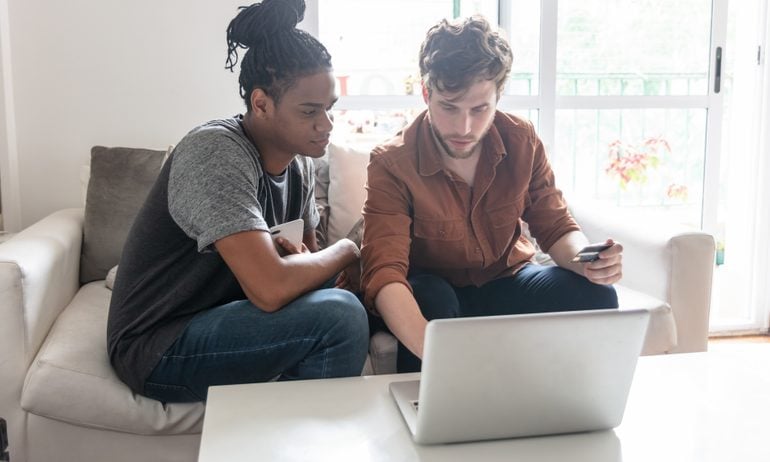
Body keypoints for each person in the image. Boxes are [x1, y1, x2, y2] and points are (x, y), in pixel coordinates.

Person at [107, 0, 368, 403]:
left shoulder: (300, 164)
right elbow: (271, 288)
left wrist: (307, 266)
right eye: (309, 111)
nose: (326, 125)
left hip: (231, 316)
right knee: (341, 316)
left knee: (368, 295)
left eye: (330, 108)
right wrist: (348, 249)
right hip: (159, 343)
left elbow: (309, 269)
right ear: (261, 104)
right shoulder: (214, 151)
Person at [360, 15, 622, 373]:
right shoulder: (391, 163)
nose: (464, 128)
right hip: (434, 293)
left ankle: (566, 400)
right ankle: (428, 403)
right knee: (431, 298)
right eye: (449, 107)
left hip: (508, 280)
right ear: (426, 93)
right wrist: (440, 357)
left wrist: (589, 262)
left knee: (595, 294)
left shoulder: (521, 139)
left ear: (498, 97)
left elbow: (556, 226)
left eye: (480, 109)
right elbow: (385, 273)